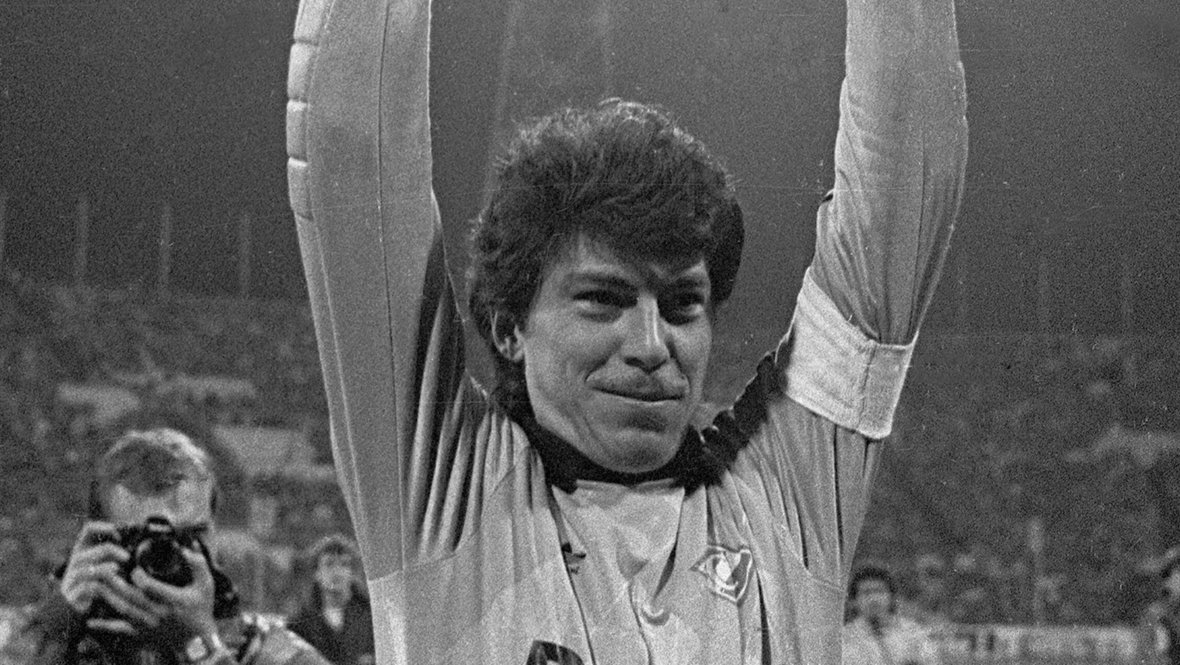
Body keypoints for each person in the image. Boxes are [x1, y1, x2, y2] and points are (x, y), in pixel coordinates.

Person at [285, 0, 967, 659]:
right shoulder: (440, 486)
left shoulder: (786, 499)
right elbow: (352, 151)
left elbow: (902, 190)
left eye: (682, 305)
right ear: (509, 327)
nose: (650, 345)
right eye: (603, 300)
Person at [0, 428, 330, 665]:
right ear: (98, 539)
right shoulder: (42, 636)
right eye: (142, 536)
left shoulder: (260, 647)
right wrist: (57, 623)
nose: (171, 553)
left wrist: (201, 645)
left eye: (191, 536)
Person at [287, 536, 375, 665]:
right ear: (316, 573)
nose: (337, 572)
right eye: (329, 564)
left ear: (352, 573)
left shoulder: (372, 618)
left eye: (344, 564)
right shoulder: (300, 623)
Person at [843, 565, 942, 665]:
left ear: (892, 597)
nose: (874, 599)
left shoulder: (913, 633)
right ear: (854, 601)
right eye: (866, 593)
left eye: (879, 591)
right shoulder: (845, 638)